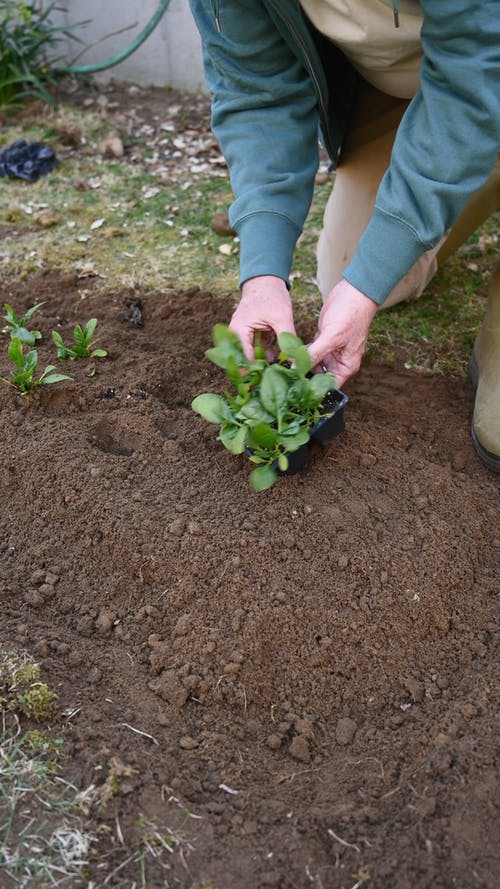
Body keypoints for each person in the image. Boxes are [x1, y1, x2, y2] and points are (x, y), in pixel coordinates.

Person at [189, 0, 500, 471]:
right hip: (413, 90)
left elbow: (473, 78)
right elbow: (256, 92)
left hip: (479, 69)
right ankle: (473, 170)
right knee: (358, 271)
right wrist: (263, 276)